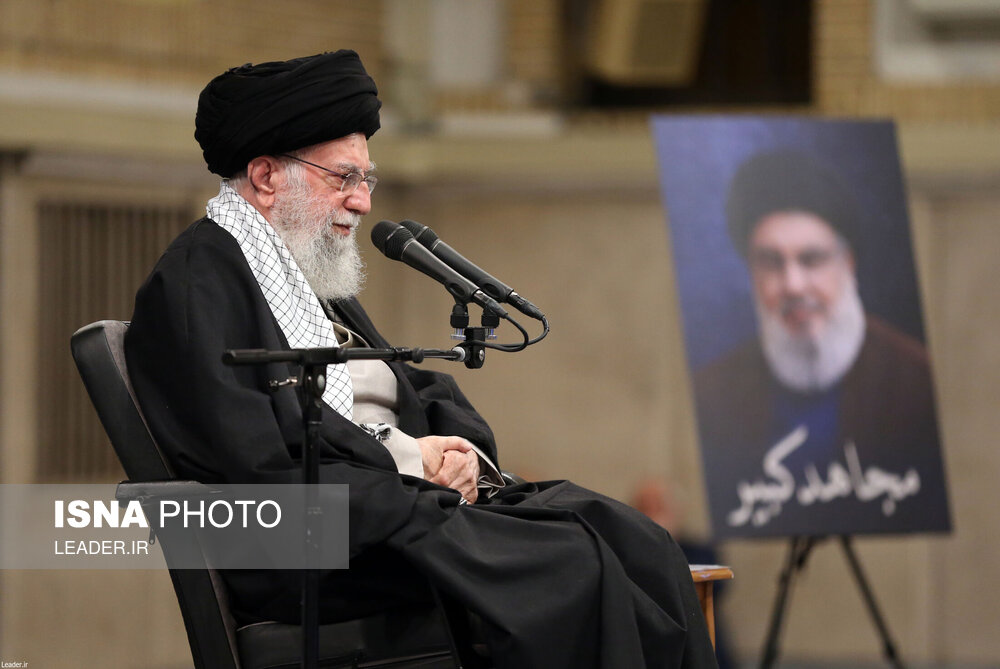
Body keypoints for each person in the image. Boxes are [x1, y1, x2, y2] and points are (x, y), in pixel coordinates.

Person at [124, 51, 717, 669]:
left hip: (394, 509)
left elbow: (407, 384)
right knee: (570, 565)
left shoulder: (300, 270)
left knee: (633, 539)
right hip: (327, 548)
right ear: (267, 177)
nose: (361, 202)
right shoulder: (197, 285)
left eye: (366, 180)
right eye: (343, 178)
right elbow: (253, 466)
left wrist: (459, 455)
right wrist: (409, 463)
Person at [693, 150, 950, 536]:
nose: (793, 285)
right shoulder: (714, 391)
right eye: (771, 262)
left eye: (811, 259)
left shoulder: (914, 380)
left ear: (848, 264)